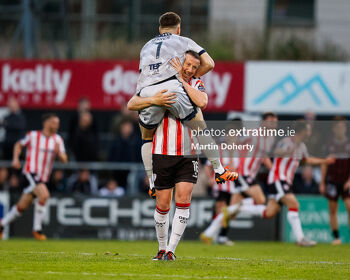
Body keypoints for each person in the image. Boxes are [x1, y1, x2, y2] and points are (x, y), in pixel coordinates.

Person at [129, 12, 237, 199]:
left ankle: (152, 183)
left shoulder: (146, 46)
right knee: (199, 125)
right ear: (178, 29)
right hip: (172, 88)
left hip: (147, 92)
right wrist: (190, 77)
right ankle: (219, 170)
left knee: (146, 137)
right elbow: (209, 64)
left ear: (159, 29)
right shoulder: (183, 41)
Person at [128, 51, 207, 261]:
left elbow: (203, 101)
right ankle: (161, 248)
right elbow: (132, 104)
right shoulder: (159, 82)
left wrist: (183, 81)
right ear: (179, 62)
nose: (190, 69)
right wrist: (154, 99)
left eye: (194, 67)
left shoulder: (196, 84)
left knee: (183, 199)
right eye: (187, 65)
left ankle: (171, 250)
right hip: (162, 151)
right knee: (163, 203)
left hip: (188, 152)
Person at [201, 113, 277, 245]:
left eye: (275, 122)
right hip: (243, 173)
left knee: (233, 210)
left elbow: (263, 155)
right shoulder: (253, 134)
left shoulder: (270, 139)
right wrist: (231, 159)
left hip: (245, 177)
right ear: (263, 122)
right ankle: (218, 234)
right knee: (260, 200)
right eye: (270, 121)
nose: (273, 125)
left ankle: (209, 234)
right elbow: (232, 140)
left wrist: (274, 170)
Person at [0, 113, 67, 240]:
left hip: (43, 177)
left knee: (22, 206)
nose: (57, 125)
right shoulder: (33, 135)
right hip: (30, 173)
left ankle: (2, 224)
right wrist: (15, 159)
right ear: (46, 123)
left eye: (58, 123)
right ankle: (37, 229)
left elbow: (64, 159)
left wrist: (59, 153)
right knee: (44, 195)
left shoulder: (58, 140)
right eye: (54, 122)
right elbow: (18, 145)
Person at [320, 116, 350, 245]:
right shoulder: (328, 145)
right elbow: (324, 164)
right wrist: (322, 182)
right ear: (333, 129)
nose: (340, 129)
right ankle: (336, 237)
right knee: (333, 210)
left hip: (346, 181)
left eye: (343, 126)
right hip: (332, 181)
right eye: (338, 126)